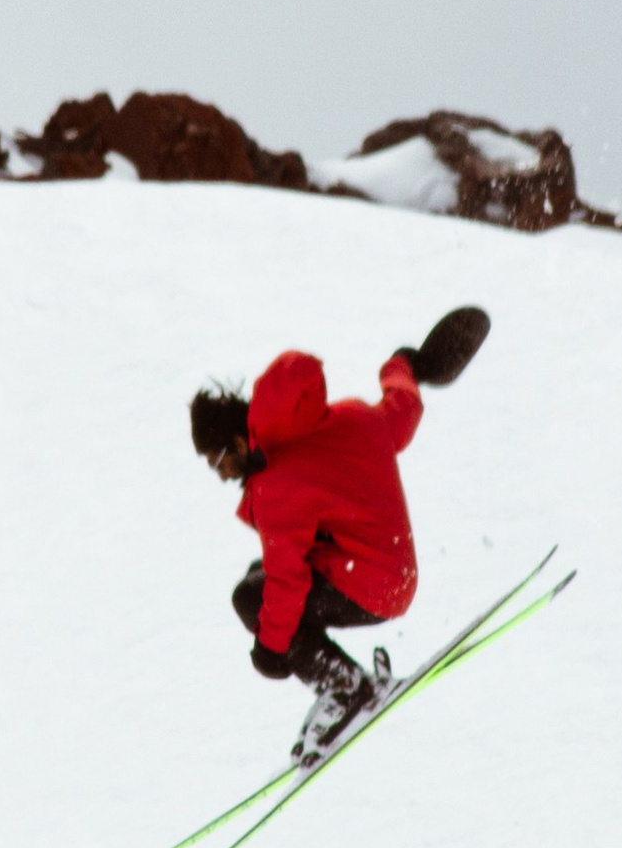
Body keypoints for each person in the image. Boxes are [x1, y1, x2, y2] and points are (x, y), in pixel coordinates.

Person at [190, 306, 490, 763]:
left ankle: (345, 687)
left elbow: (287, 583)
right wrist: (403, 367)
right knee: (260, 580)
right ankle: (343, 683)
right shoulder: (347, 417)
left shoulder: (276, 486)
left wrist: (271, 653)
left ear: (237, 442)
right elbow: (400, 413)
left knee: (253, 599)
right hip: (393, 576)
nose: (220, 473)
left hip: (371, 588)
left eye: (217, 460)